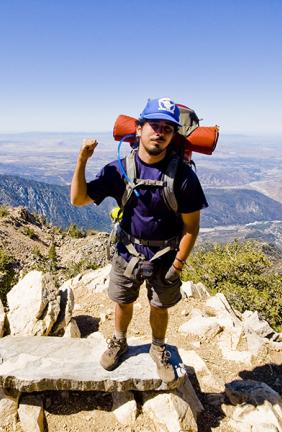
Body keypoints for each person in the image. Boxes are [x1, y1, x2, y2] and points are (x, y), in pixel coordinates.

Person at [70, 97, 208, 382]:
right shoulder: (118, 169)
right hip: (126, 252)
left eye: (167, 129)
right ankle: (119, 341)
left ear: (173, 135)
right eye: (153, 125)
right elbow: (78, 199)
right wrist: (82, 160)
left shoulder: (183, 177)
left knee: (160, 305)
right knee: (122, 301)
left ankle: (158, 348)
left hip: (167, 255)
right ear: (139, 129)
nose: (159, 132)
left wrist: (178, 265)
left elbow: (191, 227)